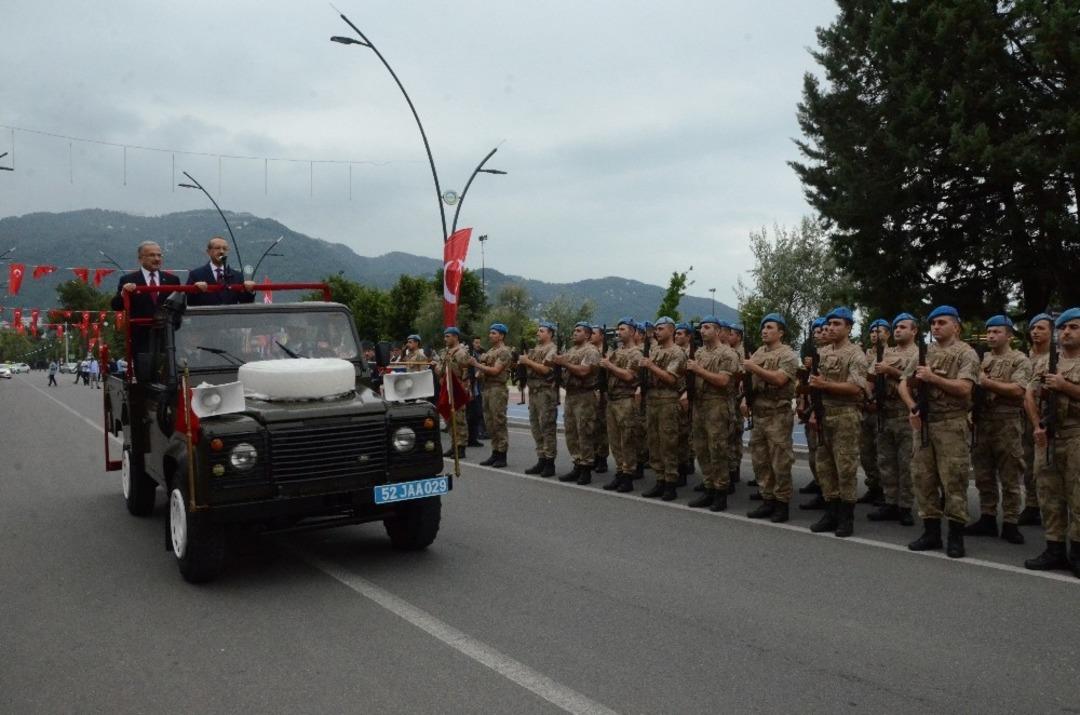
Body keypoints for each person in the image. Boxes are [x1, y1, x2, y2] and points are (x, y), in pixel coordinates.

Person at [899, 305, 980, 558]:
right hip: (924, 422)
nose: (936, 327)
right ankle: (931, 532)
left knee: (953, 479)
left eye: (942, 322)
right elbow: (903, 382)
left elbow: (965, 388)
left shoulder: (966, 353)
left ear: (956, 326)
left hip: (951, 423)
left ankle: (956, 536)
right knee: (923, 478)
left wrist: (933, 378)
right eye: (933, 323)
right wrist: (912, 406)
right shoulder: (925, 352)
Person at [1024, 307, 1080, 575]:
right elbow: (1029, 395)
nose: (1066, 332)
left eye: (1074, 327)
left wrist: (1065, 386)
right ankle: (1054, 549)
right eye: (1063, 328)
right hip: (1049, 437)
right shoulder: (1047, 362)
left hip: (1077, 435)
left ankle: (1077, 552)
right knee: (1049, 495)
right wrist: (1037, 425)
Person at [968, 315, 1031, 544]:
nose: (992, 336)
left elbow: (1018, 390)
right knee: (983, 474)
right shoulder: (981, 360)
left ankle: (1011, 522)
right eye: (989, 332)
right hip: (982, 422)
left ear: (1009, 335)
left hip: (1007, 422)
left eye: (997, 332)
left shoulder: (1019, 360)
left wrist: (987, 383)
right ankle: (987, 517)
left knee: (1010, 474)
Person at [807, 306, 868, 537]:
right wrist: (814, 411)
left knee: (845, 467)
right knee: (825, 466)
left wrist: (826, 386)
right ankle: (831, 512)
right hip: (824, 413)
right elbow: (813, 387)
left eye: (837, 324)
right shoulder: (822, 353)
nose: (831, 328)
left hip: (845, 415)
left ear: (849, 328)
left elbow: (855, 387)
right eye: (829, 324)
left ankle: (846, 517)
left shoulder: (856, 354)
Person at [742, 313, 801, 522]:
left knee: (780, 461)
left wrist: (753, 367)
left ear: (781, 332)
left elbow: (779, 379)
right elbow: (748, 378)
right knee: (760, 460)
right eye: (763, 328)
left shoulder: (788, 355)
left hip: (778, 413)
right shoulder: (758, 352)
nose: (764, 331)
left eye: (769, 327)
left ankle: (781, 504)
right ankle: (767, 499)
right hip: (759, 412)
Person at [868, 312, 919, 525]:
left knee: (906, 463)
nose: (898, 330)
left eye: (903, 327)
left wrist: (890, 370)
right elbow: (869, 378)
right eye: (896, 327)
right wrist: (870, 395)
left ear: (914, 331)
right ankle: (890, 501)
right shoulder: (885, 352)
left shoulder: (919, 353)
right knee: (886, 461)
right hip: (884, 412)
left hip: (905, 413)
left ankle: (905, 506)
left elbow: (914, 381)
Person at [684, 316, 741, 511]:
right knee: (701, 449)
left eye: (707, 327)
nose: (702, 331)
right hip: (700, 405)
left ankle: (720, 492)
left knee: (717, 450)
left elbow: (724, 381)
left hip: (717, 405)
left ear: (718, 331)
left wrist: (698, 370)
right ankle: (708, 487)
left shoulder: (728, 353)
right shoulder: (699, 353)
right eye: (701, 328)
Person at [640, 316, 688, 501]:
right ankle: (659, 479)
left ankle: (670, 482)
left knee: (668, 443)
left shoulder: (677, 352)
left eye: (660, 329)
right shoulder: (654, 350)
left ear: (670, 330)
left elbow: (671, 378)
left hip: (668, 400)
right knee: (653, 442)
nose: (657, 332)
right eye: (656, 329)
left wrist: (650, 366)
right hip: (652, 399)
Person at [551, 322, 602, 485]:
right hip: (571, 395)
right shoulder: (572, 350)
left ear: (587, 335)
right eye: (574, 330)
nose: (574, 333)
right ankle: (577, 464)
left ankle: (586, 468)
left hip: (585, 396)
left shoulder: (591, 351)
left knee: (584, 432)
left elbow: (584, 371)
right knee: (571, 432)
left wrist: (563, 363)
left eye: (578, 331)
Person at [110, 241, 182, 354]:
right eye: (152, 255)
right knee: (144, 370)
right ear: (140, 258)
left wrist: (174, 326)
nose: (157, 258)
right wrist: (124, 293)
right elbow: (116, 306)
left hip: (167, 338)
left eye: (159, 255)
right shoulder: (128, 280)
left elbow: (179, 308)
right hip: (140, 340)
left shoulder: (172, 280)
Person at [599, 318, 642, 492]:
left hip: (626, 399)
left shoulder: (636, 353)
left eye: (622, 329)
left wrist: (609, 365)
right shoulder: (617, 351)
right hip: (613, 399)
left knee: (627, 440)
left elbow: (629, 376)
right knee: (615, 440)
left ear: (632, 332)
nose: (618, 332)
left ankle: (628, 475)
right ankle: (619, 471)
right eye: (617, 329)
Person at [1019, 314, 1053, 526]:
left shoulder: (1058, 357)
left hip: (1048, 417)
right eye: (1033, 328)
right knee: (1028, 462)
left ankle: (1051, 508)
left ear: (1051, 332)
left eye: (1040, 328)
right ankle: (1032, 505)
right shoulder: (1025, 358)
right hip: (1023, 417)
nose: (1035, 332)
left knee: (1048, 467)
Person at [518, 321, 559, 477]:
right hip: (534, 392)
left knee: (547, 427)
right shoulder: (535, 350)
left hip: (545, 392)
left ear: (550, 333)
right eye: (538, 330)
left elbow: (546, 369)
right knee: (536, 427)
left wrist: (527, 361)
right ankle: (541, 458)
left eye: (541, 331)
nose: (538, 333)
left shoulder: (552, 349)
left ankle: (550, 462)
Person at [471, 323, 513, 468]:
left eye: (494, 333)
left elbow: (495, 371)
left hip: (497, 389)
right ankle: (495, 452)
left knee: (498, 422)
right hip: (487, 388)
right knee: (489, 423)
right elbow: (480, 374)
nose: (490, 335)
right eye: (490, 333)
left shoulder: (504, 351)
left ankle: (502, 455)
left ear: (501, 335)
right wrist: (479, 369)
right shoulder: (489, 351)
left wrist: (477, 364)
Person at [797, 318, 828, 510]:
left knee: (823, 457)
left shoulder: (829, 356)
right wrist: (801, 402)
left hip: (824, 411)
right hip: (810, 409)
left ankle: (826, 494)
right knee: (813, 454)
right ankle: (819, 485)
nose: (819, 334)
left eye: (821, 330)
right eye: (816, 331)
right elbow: (805, 385)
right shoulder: (813, 356)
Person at [857, 320, 888, 507]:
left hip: (881, 409)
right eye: (872, 332)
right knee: (866, 452)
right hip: (864, 408)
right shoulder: (865, 354)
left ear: (888, 334)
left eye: (879, 331)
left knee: (882, 453)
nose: (875, 335)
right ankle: (873, 487)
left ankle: (886, 491)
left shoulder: (890, 354)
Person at [433, 326, 471, 459]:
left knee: (459, 419)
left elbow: (466, 372)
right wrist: (436, 366)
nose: (445, 339)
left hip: (457, 388)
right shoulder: (445, 353)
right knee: (449, 419)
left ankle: (461, 447)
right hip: (446, 388)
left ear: (455, 337)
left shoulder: (461, 353)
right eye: (445, 336)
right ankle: (454, 444)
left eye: (448, 336)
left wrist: (465, 389)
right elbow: (440, 371)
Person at [186, 236, 257, 306]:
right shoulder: (196, 274)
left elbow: (246, 302)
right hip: (206, 316)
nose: (221, 251)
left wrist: (250, 290)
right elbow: (188, 301)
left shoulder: (237, 276)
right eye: (217, 248)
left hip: (230, 316)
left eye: (225, 249)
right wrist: (194, 290)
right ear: (208, 252)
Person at [673, 322, 696, 485]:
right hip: (674, 397)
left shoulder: (693, 354)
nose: (677, 336)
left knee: (685, 435)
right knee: (676, 434)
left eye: (681, 334)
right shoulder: (675, 352)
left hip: (687, 397)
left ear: (689, 336)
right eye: (676, 333)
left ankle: (684, 468)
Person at [727, 322, 748, 488]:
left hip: (736, 398)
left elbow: (743, 376)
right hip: (730, 398)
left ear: (739, 336)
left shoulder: (742, 353)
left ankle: (734, 471)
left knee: (735, 435)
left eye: (731, 334)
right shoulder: (731, 351)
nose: (728, 337)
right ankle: (730, 470)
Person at [590, 324, 610, 474]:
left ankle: (602, 458)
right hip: (590, 392)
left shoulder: (608, 352)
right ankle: (593, 455)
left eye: (594, 333)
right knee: (591, 426)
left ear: (602, 336)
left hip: (602, 392)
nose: (591, 335)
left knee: (602, 426)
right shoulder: (589, 351)